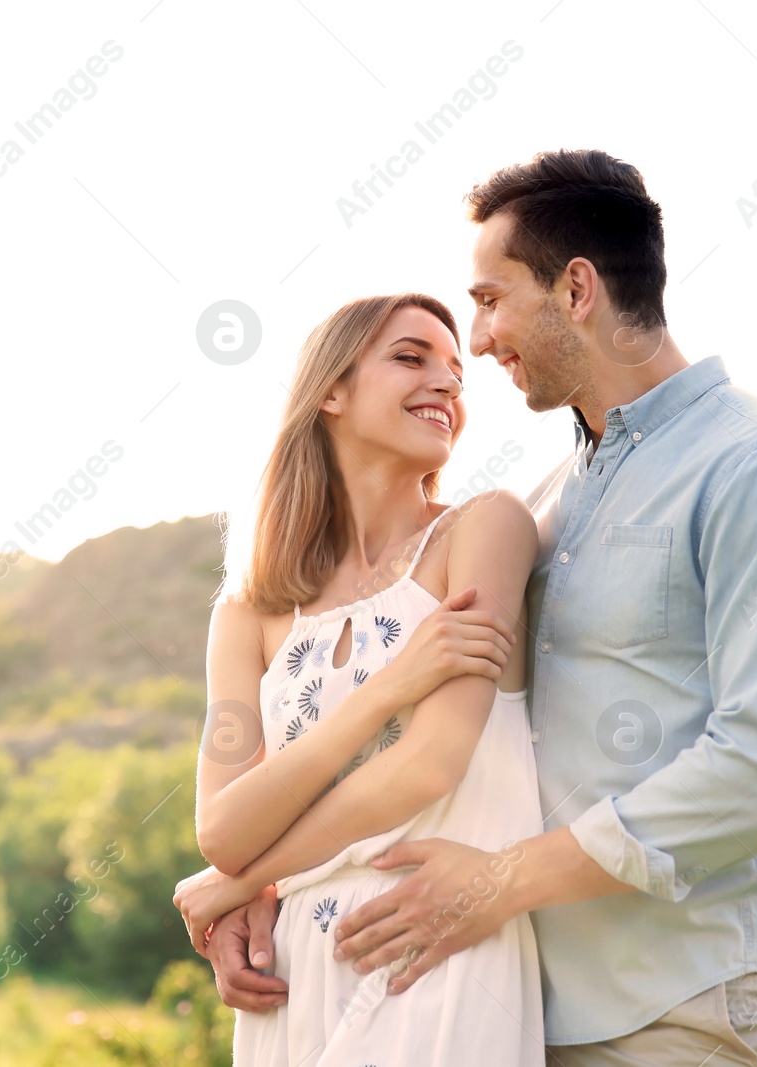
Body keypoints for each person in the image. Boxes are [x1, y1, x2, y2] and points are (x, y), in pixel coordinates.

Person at [206, 150, 757, 1066]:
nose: (477, 345)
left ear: (576, 289)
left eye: (488, 301)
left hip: (679, 1005)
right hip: (510, 1000)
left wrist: (500, 882)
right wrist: (257, 883)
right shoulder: (551, 499)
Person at [172, 292, 548, 1064]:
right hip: (290, 976)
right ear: (332, 392)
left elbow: (429, 765)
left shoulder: (483, 530)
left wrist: (241, 882)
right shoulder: (247, 611)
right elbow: (223, 831)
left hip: (431, 947)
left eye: (455, 372)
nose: (447, 382)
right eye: (411, 357)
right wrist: (390, 685)